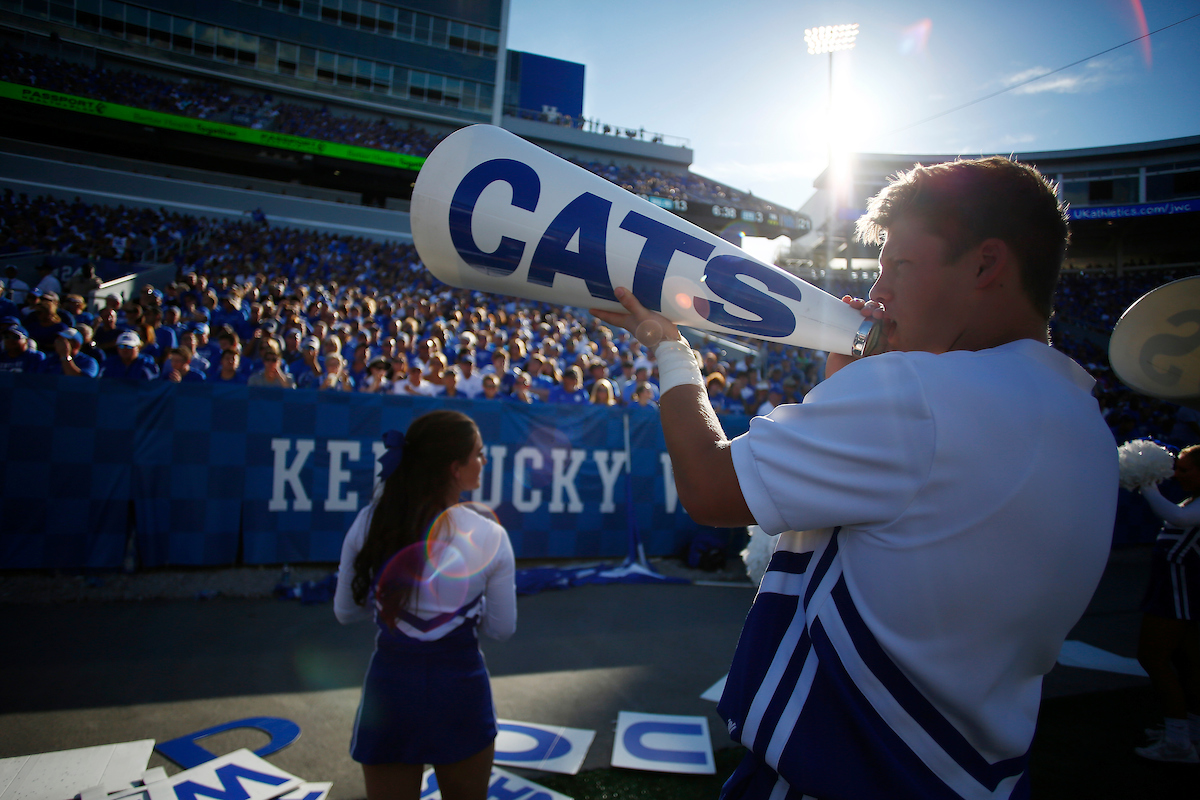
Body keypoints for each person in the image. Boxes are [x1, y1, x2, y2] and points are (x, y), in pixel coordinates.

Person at [592, 156, 1118, 799]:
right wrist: (849, 387)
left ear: (985, 265)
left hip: (846, 771)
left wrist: (669, 350)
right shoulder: (1085, 415)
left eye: (900, 265)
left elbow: (709, 486)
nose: (882, 291)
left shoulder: (917, 392)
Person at [333, 411, 516, 800]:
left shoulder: (370, 521)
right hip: (460, 691)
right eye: (478, 454)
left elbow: (346, 612)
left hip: (390, 692)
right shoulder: (490, 535)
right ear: (455, 468)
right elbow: (502, 629)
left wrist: (392, 606)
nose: (483, 461)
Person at [1134, 444, 1200, 763]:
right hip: (1173, 589)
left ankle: (1178, 743)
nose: (1178, 474)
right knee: (1188, 661)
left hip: (1179, 591)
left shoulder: (1192, 507)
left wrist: (1146, 484)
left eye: (1185, 469)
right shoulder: (1192, 499)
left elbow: (1178, 517)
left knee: (1152, 658)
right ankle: (1189, 731)